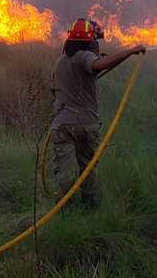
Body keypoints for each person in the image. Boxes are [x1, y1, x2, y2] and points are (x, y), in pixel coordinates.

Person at [50, 18, 145, 210]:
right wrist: (130, 51)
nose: (97, 43)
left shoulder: (62, 61)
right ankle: (89, 208)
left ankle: (64, 209)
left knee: (65, 171)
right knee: (88, 169)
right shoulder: (84, 57)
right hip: (84, 125)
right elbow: (98, 65)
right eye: (95, 40)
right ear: (89, 41)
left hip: (61, 126)